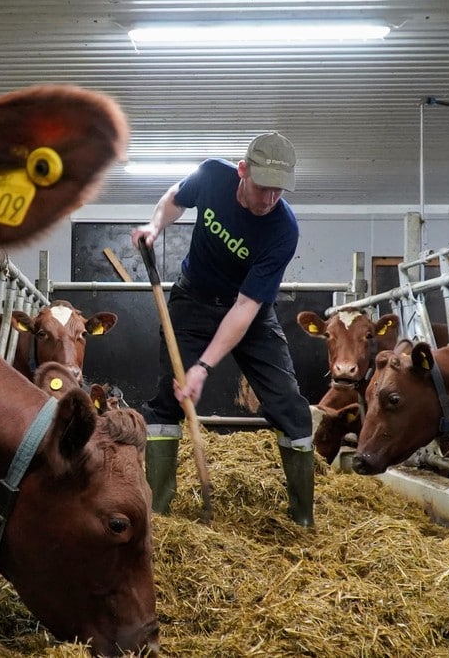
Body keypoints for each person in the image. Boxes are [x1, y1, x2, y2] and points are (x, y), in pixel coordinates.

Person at [130, 131, 315, 527]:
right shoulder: (213, 175)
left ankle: (302, 520)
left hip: (249, 313)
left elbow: (246, 308)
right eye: (263, 187)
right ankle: (159, 515)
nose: (269, 200)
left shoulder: (283, 230)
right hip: (192, 300)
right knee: (168, 399)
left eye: (278, 191)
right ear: (242, 171)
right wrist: (154, 226)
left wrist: (204, 367)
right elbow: (174, 200)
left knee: (290, 405)